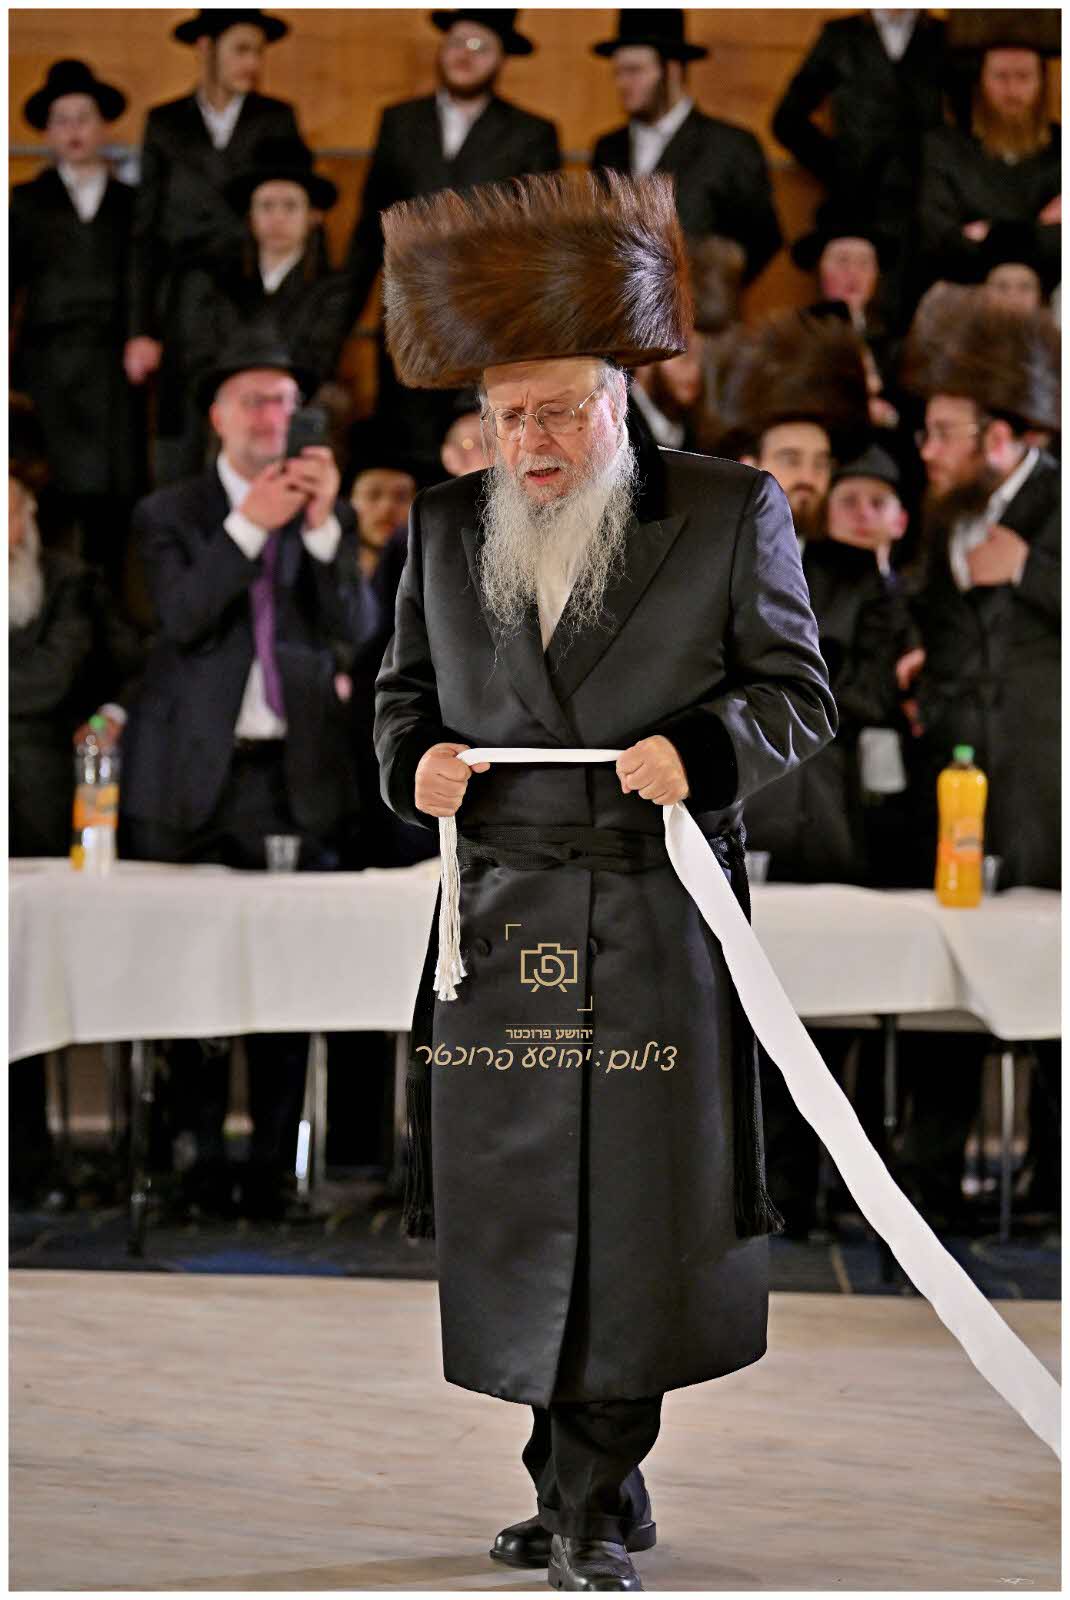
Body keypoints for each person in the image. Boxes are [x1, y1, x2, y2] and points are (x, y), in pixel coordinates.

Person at [373, 171, 836, 1591]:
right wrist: (412, 766)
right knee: (522, 1212)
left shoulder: (727, 509)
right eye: (508, 415)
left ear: (619, 404)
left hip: (654, 912)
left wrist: (702, 750)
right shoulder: (442, 527)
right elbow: (401, 702)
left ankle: (583, 1503)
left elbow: (797, 694)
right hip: (498, 925)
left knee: (632, 1218)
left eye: (561, 410)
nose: (532, 440)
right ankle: (583, 1486)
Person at [119, 335, 378, 1220]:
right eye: (256, 401)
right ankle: (194, 1161)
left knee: (287, 972)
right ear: (219, 417)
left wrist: (324, 525)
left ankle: (272, 1167)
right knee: (187, 975)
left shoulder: (319, 510)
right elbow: (181, 617)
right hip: (193, 781)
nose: (274, 417)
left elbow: (357, 628)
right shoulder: (170, 512)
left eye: (287, 403)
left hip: (293, 777)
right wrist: (250, 525)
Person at [897, 284, 1060, 1227]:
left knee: (1049, 967)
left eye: (943, 432)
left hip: (1044, 783)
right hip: (953, 774)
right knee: (944, 955)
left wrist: (1031, 570)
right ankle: (928, 1175)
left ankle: (1052, 1185)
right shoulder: (945, 510)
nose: (927, 448)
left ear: (999, 437)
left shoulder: (1057, 497)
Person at [344, 9, 560, 475]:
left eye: (481, 46)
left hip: (488, 331)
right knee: (408, 459)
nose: (465, 55)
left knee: (481, 463)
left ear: (502, 58)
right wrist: (338, 323)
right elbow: (369, 231)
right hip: (407, 325)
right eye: (458, 42)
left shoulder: (530, 134)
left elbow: (538, 249)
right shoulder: (400, 122)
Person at [125, 8, 301, 483]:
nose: (252, 63)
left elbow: (299, 215)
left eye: (258, 52)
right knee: (179, 429)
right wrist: (141, 329)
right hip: (180, 297)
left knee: (252, 418)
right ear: (206, 49)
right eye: (241, 50)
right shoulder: (165, 123)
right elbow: (144, 233)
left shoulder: (275, 118)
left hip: (251, 292)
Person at [11, 59, 145, 604]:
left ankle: (108, 613)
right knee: (52, 490)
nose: (73, 131)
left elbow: (143, 279)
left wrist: (142, 336)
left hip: (114, 364)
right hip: (47, 364)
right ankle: (47, 613)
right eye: (61, 120)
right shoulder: (25, 201)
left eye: (83, 118)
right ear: (47, 132)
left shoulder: (130, 203)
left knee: (113, 495)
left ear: (103, 126)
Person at [165, 136, 351, 472]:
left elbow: (317, 358)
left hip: (293, 406)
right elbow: (202, 353)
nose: (277, 217)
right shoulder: (218, 280)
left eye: (290, 206)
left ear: (313, 216)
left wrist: (267, 395)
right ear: (250, 216)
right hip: (227, 409)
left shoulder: (331, 289)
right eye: (266, 206)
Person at [590, 9, 781, 285]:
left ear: (673, 70)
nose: (622, 83)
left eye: (634, 71)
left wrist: (712, 293)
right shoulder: (607, 148)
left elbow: (763, 240)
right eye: (617, 72)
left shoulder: (731, 147)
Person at [913, 11, 1060, 297]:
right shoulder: (945, 149)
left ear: (1042, 82)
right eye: (1001, 77)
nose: (1012, 90)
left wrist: (988, 233)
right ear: (980, 81)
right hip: (966, 296)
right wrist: (1038, 227)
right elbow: (940, 242)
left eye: (1024, 77)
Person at [771, 11, 947, 229]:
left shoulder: (943, 37)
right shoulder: (840, 36)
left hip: (923, 211)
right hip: (855, 210)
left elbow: (966, 128)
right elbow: (787, 121)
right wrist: (839, 168)